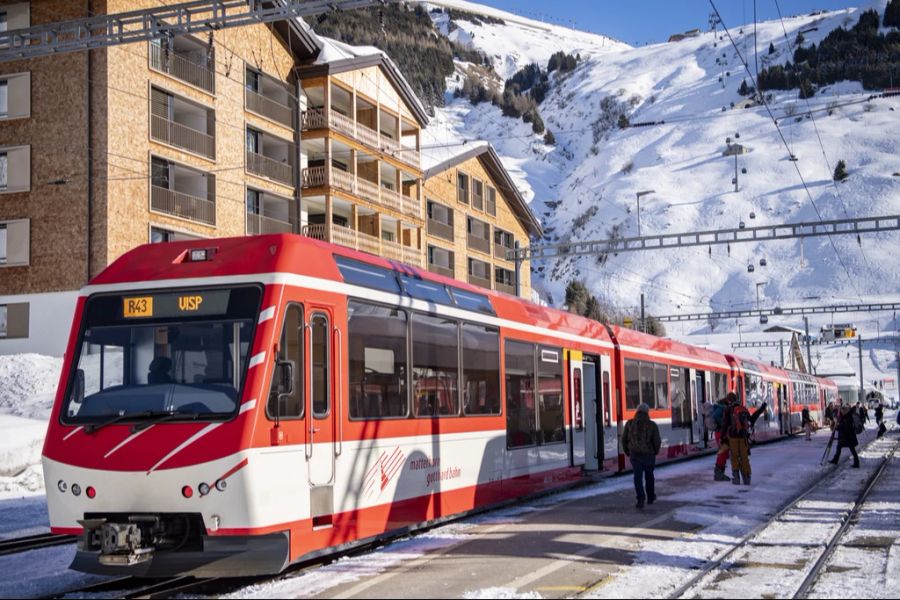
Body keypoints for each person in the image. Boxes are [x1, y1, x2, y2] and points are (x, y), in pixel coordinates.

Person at [622, 402, 662, 509]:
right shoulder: (652, 425)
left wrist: (627, 452)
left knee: (637, 478)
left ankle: (640, 498)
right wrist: (655, 451)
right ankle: (650, 497)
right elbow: (657, 441)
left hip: (635, 455)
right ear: (647, 412)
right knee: (649, 476)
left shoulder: (629, 423)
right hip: (649, 455)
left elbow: (624, 439)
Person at [726, 393, 752, 485]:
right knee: (744, 457)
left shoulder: (729, 409)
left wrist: (723, 437)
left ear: (729, 400)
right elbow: (750, 420)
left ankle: (736, 478)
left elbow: (725, 424)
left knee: (734, 457)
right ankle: (747, 478)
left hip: (733, 437)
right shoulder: (743, 409)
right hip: (743, 437)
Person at [830, 404, 860, 468]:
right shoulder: (846, 417)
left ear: (845, 412)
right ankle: (836, 460)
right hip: (846, 437)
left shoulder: (847, 418)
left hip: (848, 437)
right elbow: (843, 426)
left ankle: (856, 462)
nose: (841, 413)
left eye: (842, 411)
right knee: (840, 447)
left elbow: (845, 427)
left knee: (851, 449)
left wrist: (837, 427)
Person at [712, 396, 731, 481]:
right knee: (723, 452)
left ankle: (720, 473)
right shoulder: (722, 407)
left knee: (724, 452)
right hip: (720, 432)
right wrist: (723, 424)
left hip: (720, 432)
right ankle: (719, 474)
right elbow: (716, 416)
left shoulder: (721, 406)